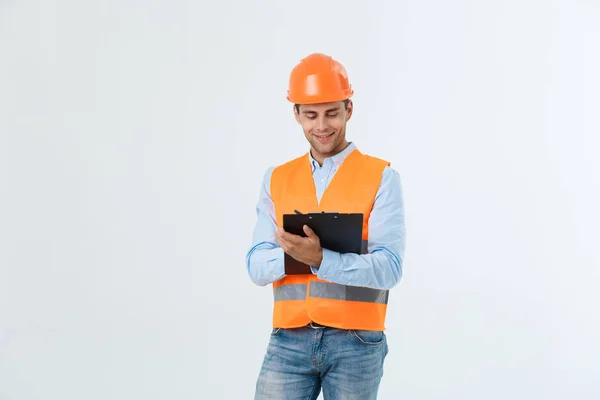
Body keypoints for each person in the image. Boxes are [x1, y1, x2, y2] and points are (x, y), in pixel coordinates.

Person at [246, 53, 406, 400]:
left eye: (332, 113)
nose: (322, 126)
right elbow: (257, 267)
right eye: (311, 115)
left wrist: (320, 258)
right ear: (297, 115)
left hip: (357, 341)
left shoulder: (381, 178)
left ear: (349, 109)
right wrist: (297, 258)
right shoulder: (277, 179)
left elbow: (390, 269)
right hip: (288, 340)